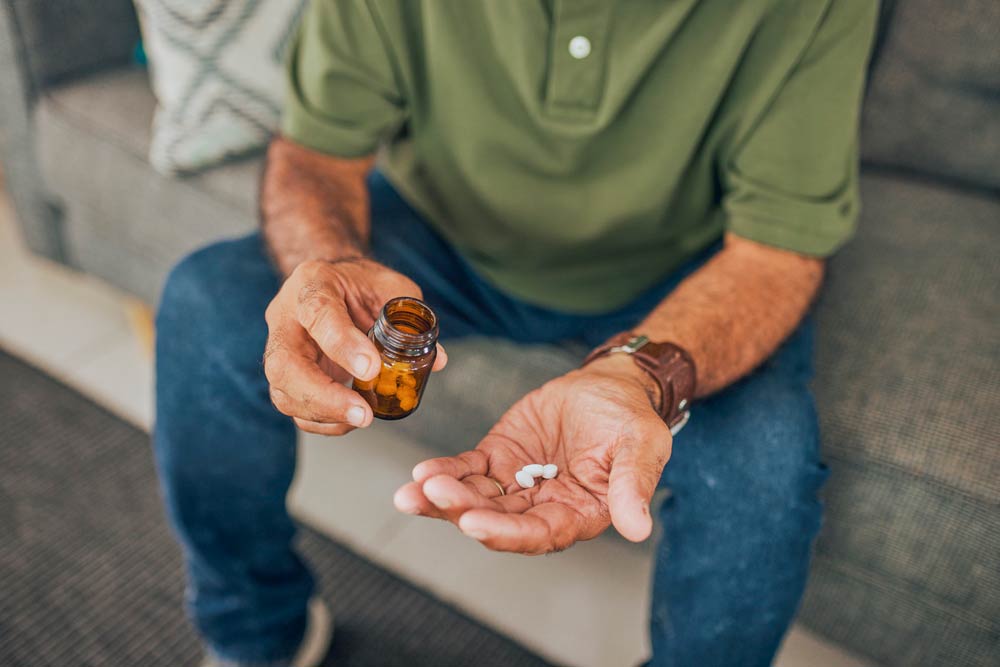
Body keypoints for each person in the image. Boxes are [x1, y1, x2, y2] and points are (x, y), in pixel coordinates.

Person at [153, 1, 877, 665]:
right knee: (207, 302)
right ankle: (257, 634)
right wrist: (333, 263)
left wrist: (637, 373)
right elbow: (316, 155)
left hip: (686, 274)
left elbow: (777, 253)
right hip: (437, 232)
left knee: (765, 459)